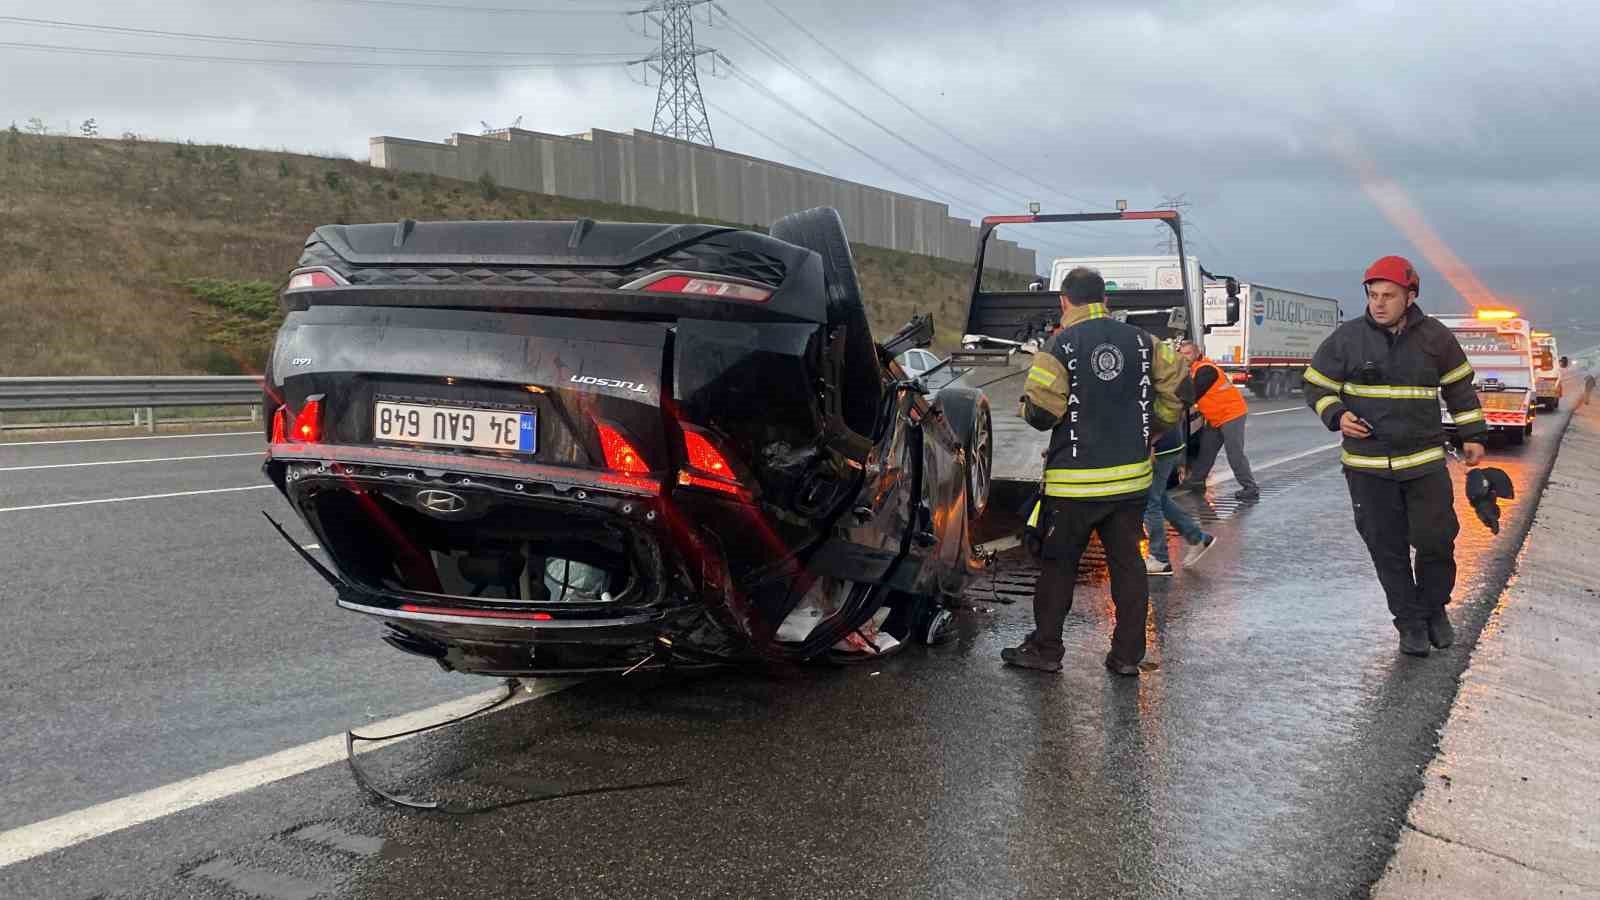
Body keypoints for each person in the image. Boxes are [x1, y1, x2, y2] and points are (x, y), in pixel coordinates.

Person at [1001, 267, 1186, 676]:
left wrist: (1025, 405)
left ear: (1065, 301)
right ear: (1105, 299)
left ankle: (1046, 650)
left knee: (1059, 567)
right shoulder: (1145, 342)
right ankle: (1126, 657)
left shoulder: (1058, 346)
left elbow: (1043, 415)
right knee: (1128, 568)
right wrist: (1153, 428)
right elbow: (1177, 389)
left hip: (1075, 486)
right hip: (1130, 483)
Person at [1302, 255, 1486, 657]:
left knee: (1436, 540)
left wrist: (1472, 434)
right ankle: (1409, 624)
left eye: (1388, 295)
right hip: (1367, 468)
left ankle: (1434, 609)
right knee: (1387, 548)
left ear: (1410, 296)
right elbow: (1315, 385)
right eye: (1372, 295)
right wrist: (1337, 414)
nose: (1379, 303)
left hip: (1423, 464)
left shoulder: (1435, 338)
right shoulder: (1347, 339)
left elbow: (1459, 388)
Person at [1178, 339, 1260, 500]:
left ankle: (1250, 488)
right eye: (1181, 354)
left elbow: (1192, 393)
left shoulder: (1206, 369)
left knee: (1234, 454)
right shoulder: (1194, 369)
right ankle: (1196, 481)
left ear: (1197, 353)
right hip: (1216, 418)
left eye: (1188, 353)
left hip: (1231, 415)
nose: (1184, 357)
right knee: (1207, 450)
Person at [1144, 422, 1218, 576]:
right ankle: (1197, 538)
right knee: (1158, 497)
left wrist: (1151, 442)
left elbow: (1155, 412)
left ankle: (1159, 559)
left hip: (1159, 446)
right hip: (1165, 442)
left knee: (1151, 501)